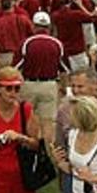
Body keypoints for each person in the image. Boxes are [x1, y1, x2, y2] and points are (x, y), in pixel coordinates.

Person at [15, 11, 66, 144]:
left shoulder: (26, 43)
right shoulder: (57, 44)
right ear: (48, 27)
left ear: (34, 26)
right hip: (49, 85)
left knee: (26, 121)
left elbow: (15, 68)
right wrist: (63, 87)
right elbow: (64, 70)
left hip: (29, 84)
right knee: (48, 123)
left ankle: (28, 152)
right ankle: (47, 155)